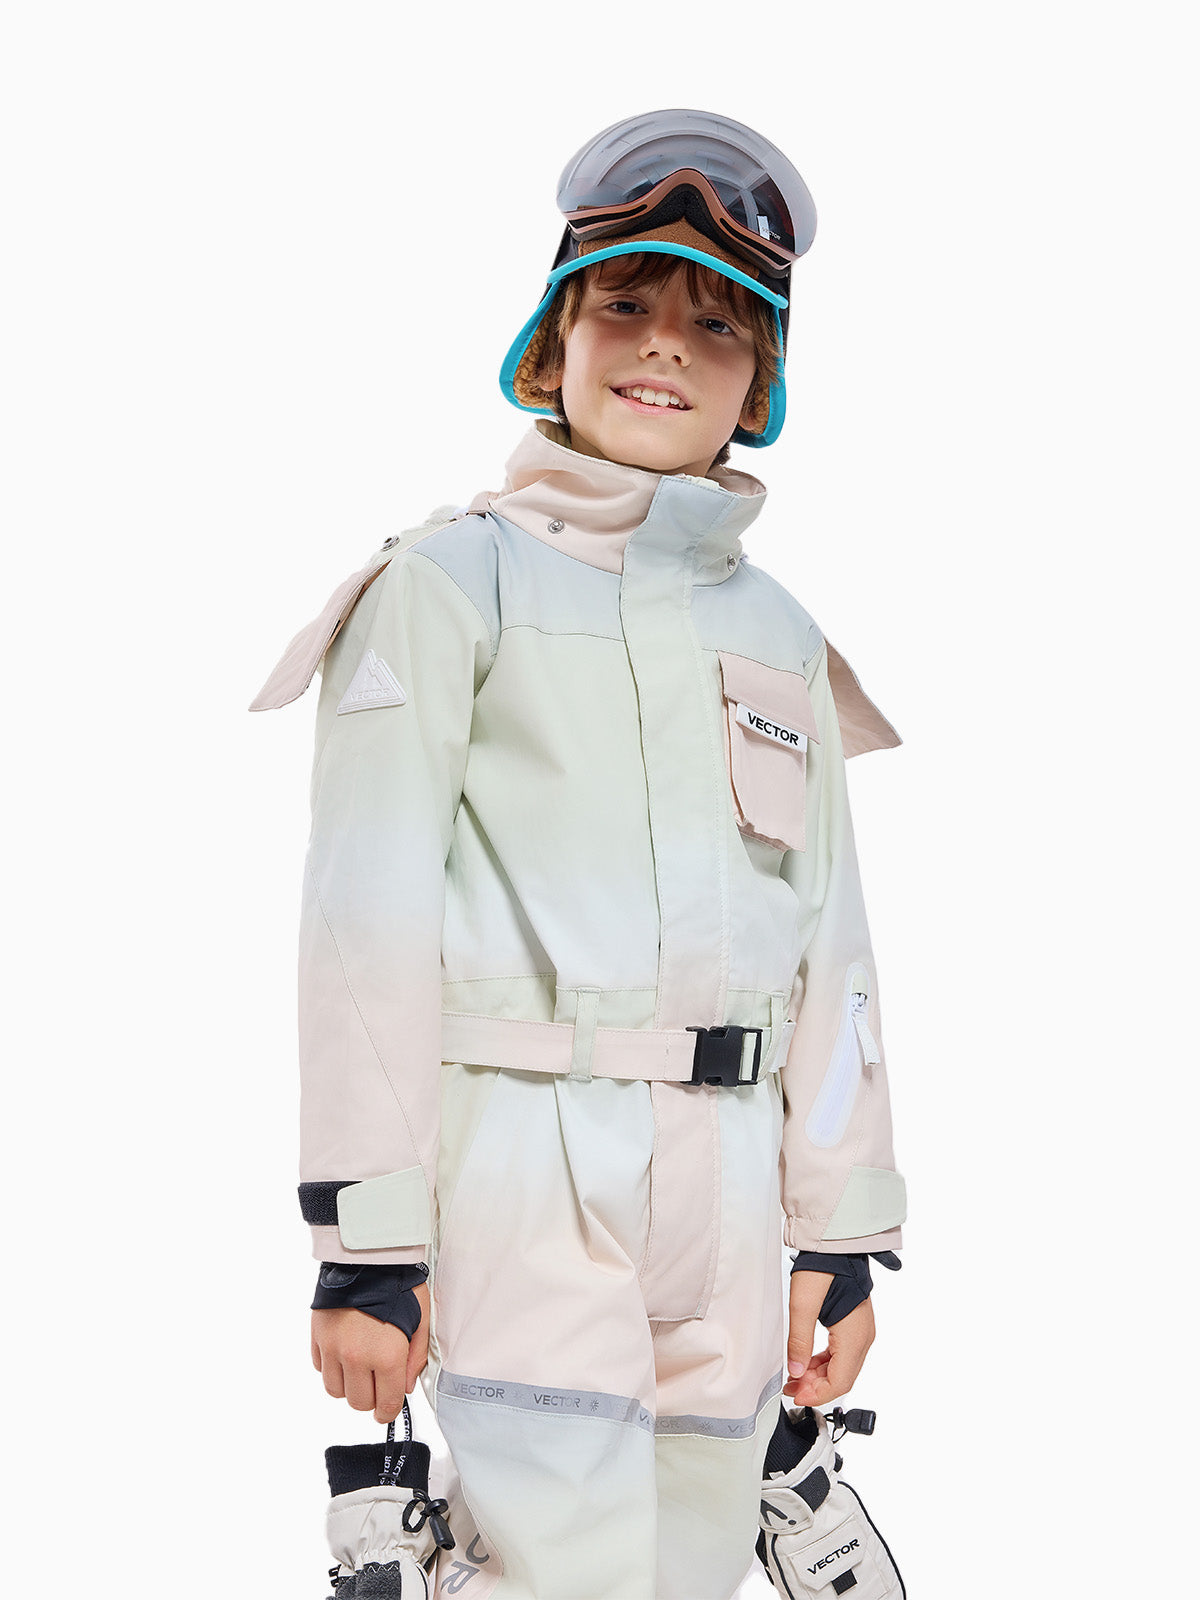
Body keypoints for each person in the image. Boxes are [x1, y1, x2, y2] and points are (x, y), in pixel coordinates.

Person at [253, 108, 906, 1600]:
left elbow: (833, 950)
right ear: (550, 344)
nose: (666, 344)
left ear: (761, 388)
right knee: (561, 1571)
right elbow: (361, 933)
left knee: (690, 1566)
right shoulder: (448, 588)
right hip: (526, 1173)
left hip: (730, 1197)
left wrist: (842, 1233)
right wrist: (369, 1241)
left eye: (718, 324)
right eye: (624, 304)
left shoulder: (778, 634)